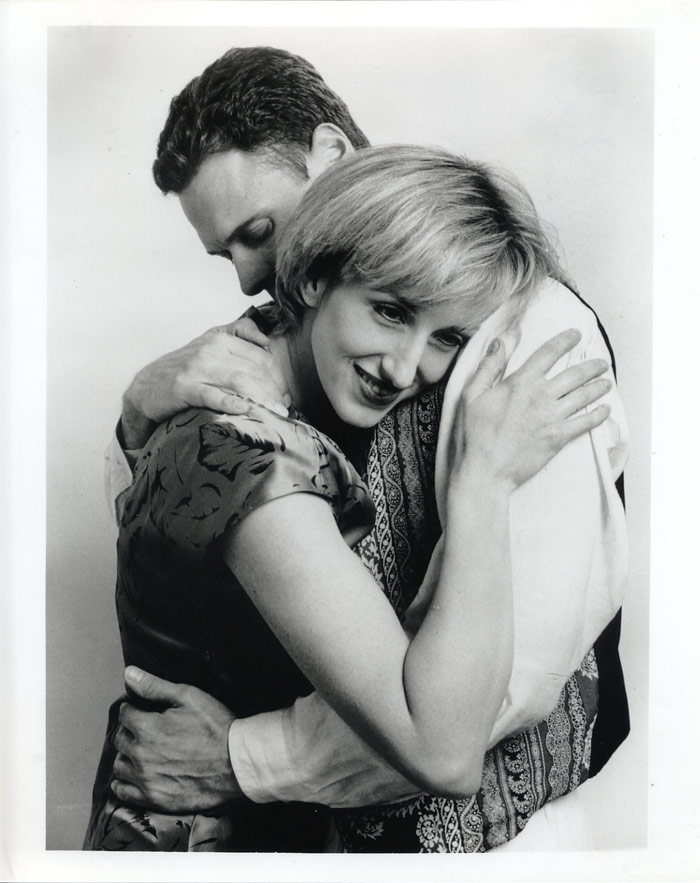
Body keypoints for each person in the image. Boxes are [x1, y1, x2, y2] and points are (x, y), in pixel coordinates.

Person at [99, 47, 629, 852]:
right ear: (318, 277)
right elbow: (169, 516)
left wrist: (244, 755)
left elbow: (493, 696)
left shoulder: (525, 336)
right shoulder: (241, 392)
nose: (249, 277)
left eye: (258, 232)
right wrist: (142, 400)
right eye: (389, 310)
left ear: (332, 157)